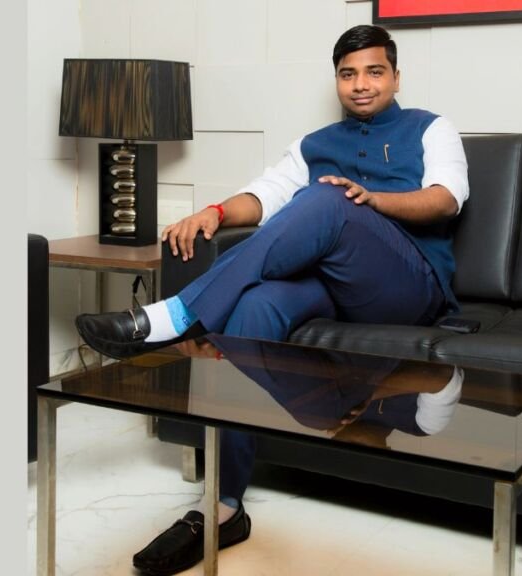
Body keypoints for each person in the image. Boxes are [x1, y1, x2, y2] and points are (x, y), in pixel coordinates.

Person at [75, 24, 469, 576]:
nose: (361, 84)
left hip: (406, 286)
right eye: (348, 74)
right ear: (337, 80)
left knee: (327, 199)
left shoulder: (431, 129)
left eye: (374, 72)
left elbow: (446, 199)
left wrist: (372, 200)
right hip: (332, 287)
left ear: (396, 77)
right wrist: (213, 212)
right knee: (252, 310)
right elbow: (265, 197)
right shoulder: (313, 144)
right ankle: (225, 506)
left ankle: (178, 315)